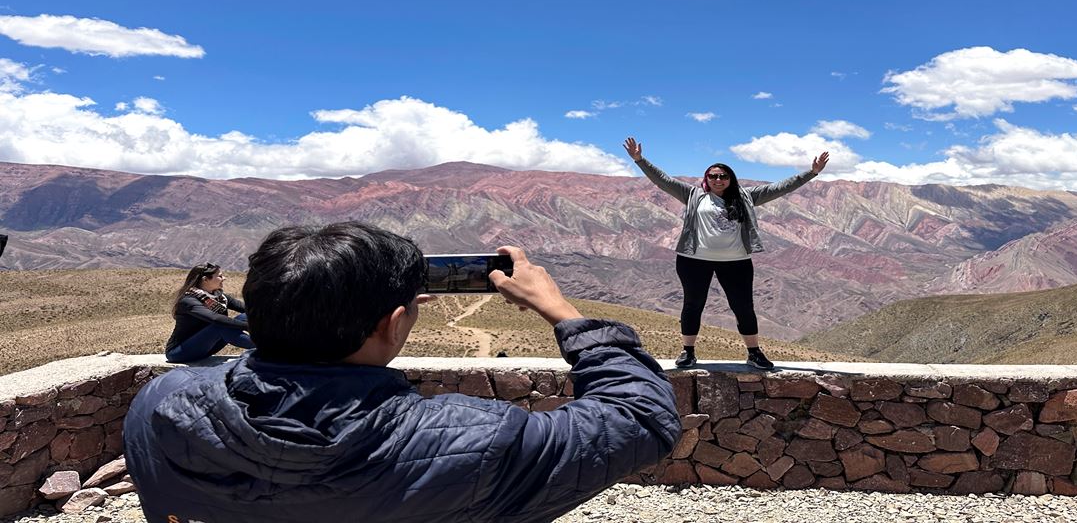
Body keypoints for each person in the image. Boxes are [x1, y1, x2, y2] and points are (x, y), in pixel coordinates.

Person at [125, 221, 679, 523]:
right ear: (394, 325)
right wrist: (562, 311)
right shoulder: (477, 443)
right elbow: (641, 418)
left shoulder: (161, 405)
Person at [623, 137, 829, 370]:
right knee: (693, 304)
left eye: (723, 176)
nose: (718, 180)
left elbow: (779, 188)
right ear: (706, 179)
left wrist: (811, 173)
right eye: (713, 176)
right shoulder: (692, 195)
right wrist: (640, 160)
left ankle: (754, 353)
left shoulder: (745, 196)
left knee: (743, 307)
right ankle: (688, 352)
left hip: (736, 262)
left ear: (730, 179)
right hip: (694, 260)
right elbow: (663, 181)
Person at [164, 262, 255, 363]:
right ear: (205, 279)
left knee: (245, 316)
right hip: (179, 353)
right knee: (220, 326)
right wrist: (248, 326)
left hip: (206, 348)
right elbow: (215, 318)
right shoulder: (188, 300)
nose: (224, 278)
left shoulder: (220, 297)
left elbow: (248, 309)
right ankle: (268, 349)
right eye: (220, 276)